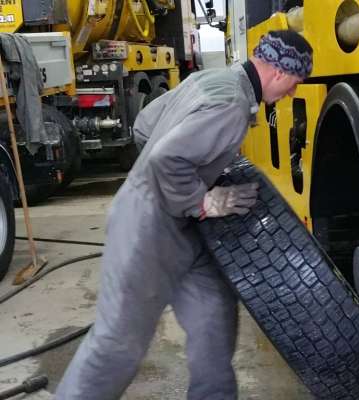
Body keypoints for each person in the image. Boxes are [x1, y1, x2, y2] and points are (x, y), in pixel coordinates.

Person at [55, 30, 313, 400]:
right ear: (276, 71)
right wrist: (201, 201)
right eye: (294, 83)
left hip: (184, 229)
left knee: (213, 319)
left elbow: (145, 124)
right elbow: (166, 158)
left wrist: (192, 186)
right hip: (146, 228)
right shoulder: (232, 106)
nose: (291, 93)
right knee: (119, 344)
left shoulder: (214, 79)